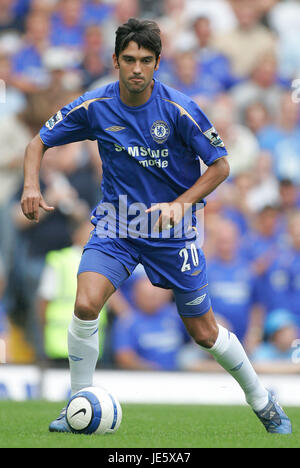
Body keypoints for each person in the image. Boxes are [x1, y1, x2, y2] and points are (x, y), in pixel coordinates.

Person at [21, 18, 291, 434]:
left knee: (204, 333)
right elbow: (38, 141)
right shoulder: (96, 105)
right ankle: (76, 402)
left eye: (146, 60)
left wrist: (182, 205)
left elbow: (220, 166)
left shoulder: (179, 109)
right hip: (117, 225)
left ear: (157, 63)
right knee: (85, 303)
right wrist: (31, 186)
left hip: (173, 232)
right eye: (128, 59)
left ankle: (262, 400)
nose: (136, 69)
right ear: (114, 60)